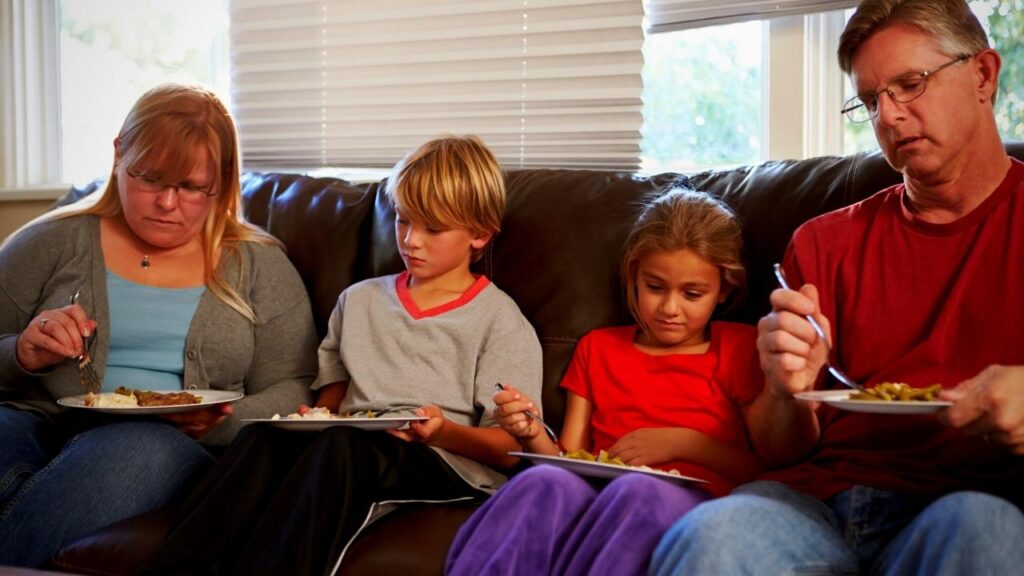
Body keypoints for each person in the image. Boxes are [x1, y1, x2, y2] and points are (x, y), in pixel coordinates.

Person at [651, 1, 1024, 575]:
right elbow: (780, 448)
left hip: (971, 500)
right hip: (814, 503)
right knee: (715, 533)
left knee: (984, 529)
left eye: (910, 84)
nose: (891, 116)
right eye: (873, 100)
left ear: (983, 74)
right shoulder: (823, 243)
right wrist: (785, 391)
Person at [141, 134, 544, 576]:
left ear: (480, 235)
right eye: (403, 221)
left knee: (341, 448)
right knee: (264, 437)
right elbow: (332, 401)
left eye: (433, 229)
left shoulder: (499, 320)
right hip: (349, 439)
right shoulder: (359, 300)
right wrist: (310, 419)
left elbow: (510, 451)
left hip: (445, 461)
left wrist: (440, 432)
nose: (411, 241)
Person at [0, 84, 318, 567]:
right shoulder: (49, 241)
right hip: (36, 418)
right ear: (118, 155)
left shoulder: (259, 265)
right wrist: (23, 352)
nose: (168, 203)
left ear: (223, 180)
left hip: (163, 443)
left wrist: (214, 423)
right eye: (150, 179)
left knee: (135, 450)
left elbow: (294, 388)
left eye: (191, 188)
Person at [445, 189, 764, 576]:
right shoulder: (598, 348)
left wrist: (683, 443)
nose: (669, 308)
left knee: (638, 491)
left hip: (690, 498)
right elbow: (568, 457)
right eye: (655, 287)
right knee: (545, 481)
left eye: (692, 294)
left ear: (723, 290)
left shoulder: (739, 348)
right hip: (597, 490)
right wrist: (530, 431)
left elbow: (761, 467)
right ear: (634, 275)